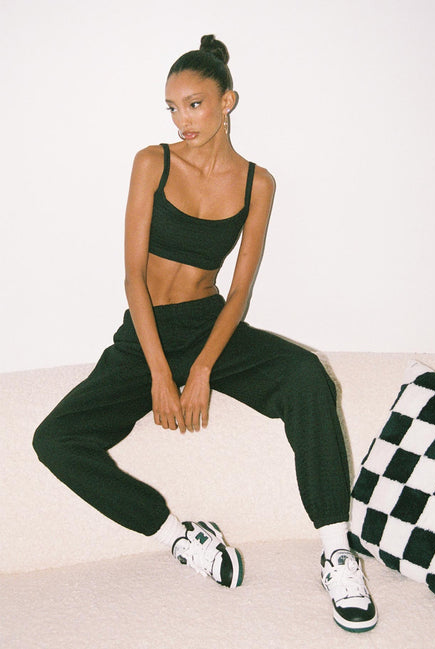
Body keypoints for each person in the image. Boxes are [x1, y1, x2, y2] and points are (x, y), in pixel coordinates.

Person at [33, 34, 377, 633]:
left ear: (227, 102)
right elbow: (133, 278)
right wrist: (159, 374)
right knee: (55, 440)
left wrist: (202, 370)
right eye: (172, 107)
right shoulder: (153, 162)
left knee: (307, 377)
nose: (182, 120)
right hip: (146, 335)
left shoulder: (257, 183)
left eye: (194, 104)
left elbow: (239, 292)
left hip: (209, 325)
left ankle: (336, 550)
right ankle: (180, 536)